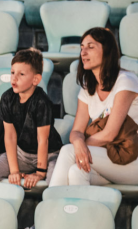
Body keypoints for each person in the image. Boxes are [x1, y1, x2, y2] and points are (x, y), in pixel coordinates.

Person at [0, 49, 62, 229]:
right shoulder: (7, 98)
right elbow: (10, 136)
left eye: (21, 74)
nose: (14, 78)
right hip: (22, 153)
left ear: (36, 79)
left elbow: (43, 140)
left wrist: (39, 173)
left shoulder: (42, 102)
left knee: (54, 185)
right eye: (12, 72)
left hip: (49, 155)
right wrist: (14, 170)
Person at [50, 27, 138, 186]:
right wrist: (78, 142)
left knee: (68, 152)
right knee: (76, 172)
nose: (83, 52)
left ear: (107, 50)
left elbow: (109, 134)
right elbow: (76, 131)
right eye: (82, 47)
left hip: (132, 159)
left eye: (90, 47)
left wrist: (80, 146)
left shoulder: (126, 80)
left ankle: (48, 205)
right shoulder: (87, 89)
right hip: (107, 159)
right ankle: (74, 210)